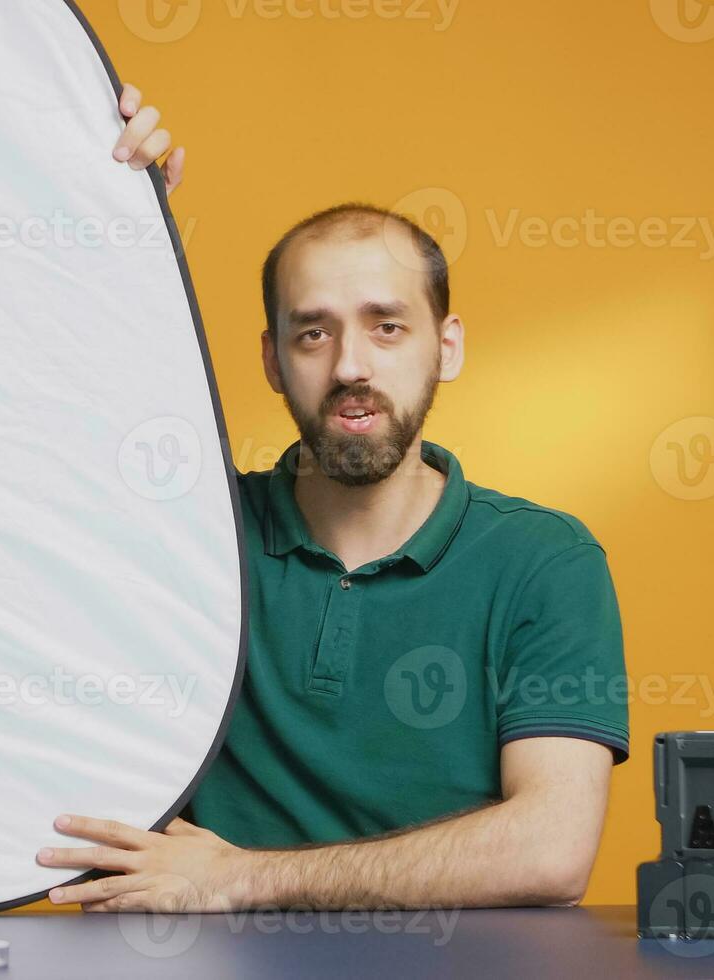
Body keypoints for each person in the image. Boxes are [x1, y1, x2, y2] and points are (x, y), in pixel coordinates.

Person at [36, 85, 631, 912]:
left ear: (445, 347)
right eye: (313, 331)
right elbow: (30, 450)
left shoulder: (544, 562)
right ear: (273, 361)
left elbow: (552, 848)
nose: (351, 364)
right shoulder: (185, 530)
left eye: (387, 326)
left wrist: (241, 879)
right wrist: (97, 213)